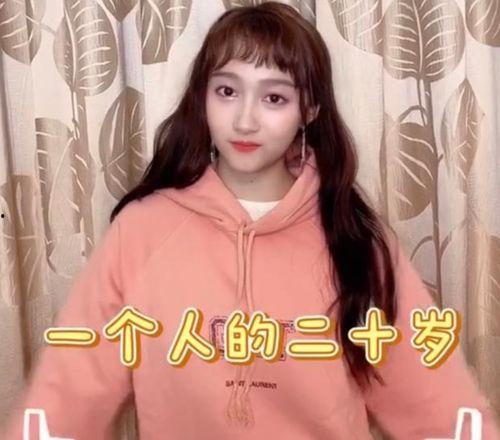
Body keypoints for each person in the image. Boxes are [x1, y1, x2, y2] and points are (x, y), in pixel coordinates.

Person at [2, 2, 500, 439]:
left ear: (309, 109)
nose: (244, 120)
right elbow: (66, 397)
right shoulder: (141, 230)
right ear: (202, 98)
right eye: (226, 91)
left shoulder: (355, 238)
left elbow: (437, 404)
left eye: (274, 98)